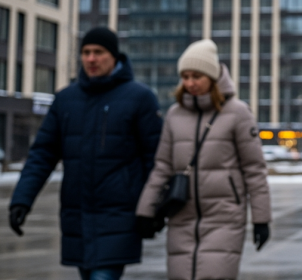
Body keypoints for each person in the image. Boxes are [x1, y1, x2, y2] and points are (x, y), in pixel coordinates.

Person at [8, 27, 162, 280]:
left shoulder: (140, 98)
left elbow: (155, 160)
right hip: (76, 217)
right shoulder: (66, 100)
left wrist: (152, 210)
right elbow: (42, 154)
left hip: (118, 218)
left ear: (114, 56)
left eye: (98, 52)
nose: (91, 59)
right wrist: (21, 200)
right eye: (86, 52)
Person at [135, 39, 271, 280]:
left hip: (224, 216)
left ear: (213, 76)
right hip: (182, 215)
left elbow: (254, 169)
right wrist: (145, 211)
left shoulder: (238, 113)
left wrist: (261, 219)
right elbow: (163, 166)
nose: (189, 83)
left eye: (196, 76)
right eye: (185, 76)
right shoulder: (175, 115)